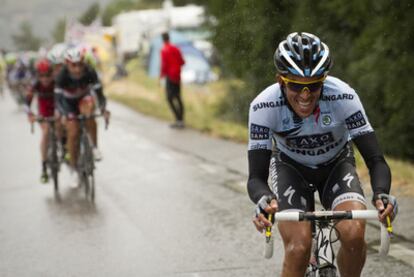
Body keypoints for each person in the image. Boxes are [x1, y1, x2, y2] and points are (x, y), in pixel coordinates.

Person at [247, 32, 398, 277]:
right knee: (298, 248)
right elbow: (256, 177)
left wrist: (382, 193)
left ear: (324, 81)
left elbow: (375, 160)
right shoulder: (263, 106)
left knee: (353, 235)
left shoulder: (343, 96)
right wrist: (263, 198)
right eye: (296, 85)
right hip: (290, 168)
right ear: (281, 81)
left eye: (314, 85)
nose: (305, 95)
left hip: (336, 165)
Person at [55, 47, 109, 186]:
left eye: (79, 64)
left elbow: (100, 94)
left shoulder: (90, 71)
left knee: (90, 115)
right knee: (73, 132)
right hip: (68, 103)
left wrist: (103, 109)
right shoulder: (62, 75)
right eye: (73, 65)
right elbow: (58, 100)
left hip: (83, 99)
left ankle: (95, 147)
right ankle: (73, 169)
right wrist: (65, 114)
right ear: (67, 63)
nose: (77, 69)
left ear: (83, 62)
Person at [24, 59, 56, 183]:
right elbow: (26, 103)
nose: (45, 78)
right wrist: (30, 114)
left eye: (48, 74)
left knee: (63, 128)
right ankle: (44, 168)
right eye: (42, 75)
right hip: (44, 113)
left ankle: (65, 148)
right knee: (46, 132)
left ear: (52, 73)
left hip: (57, 110)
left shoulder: (57, 82)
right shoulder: (35, 84)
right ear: (38, 75)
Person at [160, 32, 185, 128]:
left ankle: (178, 119)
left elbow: (164, 65)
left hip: (170, 77)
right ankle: (181, 120)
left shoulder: (164, 50)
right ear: (169, 38)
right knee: (178, 97)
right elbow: (182, 62)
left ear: (162, 39)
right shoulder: (176, 48)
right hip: (177, 76)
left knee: (169, 98)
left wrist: (161, 76)